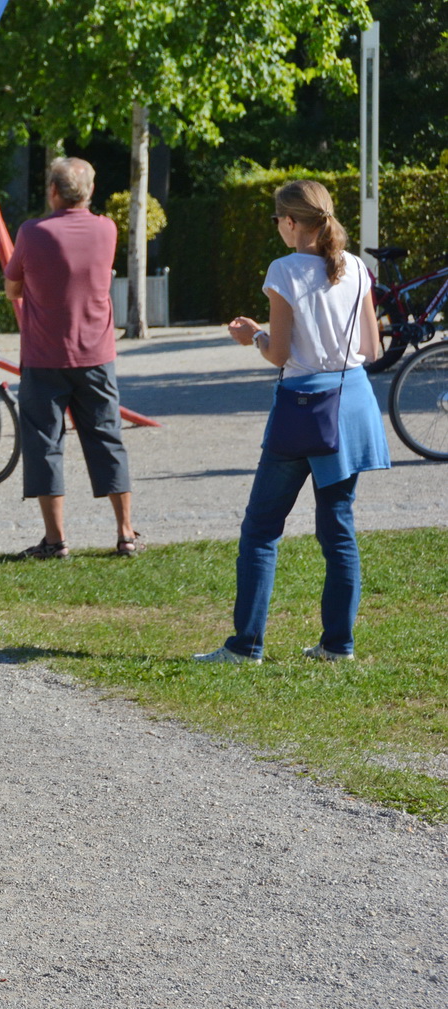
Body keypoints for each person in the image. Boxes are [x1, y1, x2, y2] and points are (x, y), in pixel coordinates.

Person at [194, 180, 389, 664]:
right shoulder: (357, 268)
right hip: (353, 403)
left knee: (261, 528)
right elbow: (374, 348)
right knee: (338, 529)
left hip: (304, 409)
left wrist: (253, 336)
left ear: (290, 222)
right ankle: (337, 645)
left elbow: (278, 353)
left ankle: (246, 646)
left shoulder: (284, 270)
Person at [3, 157, 142, 558]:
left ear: (52, 191)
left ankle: (55, 540)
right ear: (91, 191)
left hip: (45, 356)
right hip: (96, 354)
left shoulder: (32, 232)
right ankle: (126, 533)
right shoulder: (106, 229)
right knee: (107, 437)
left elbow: (13, 288)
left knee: (44, 442)